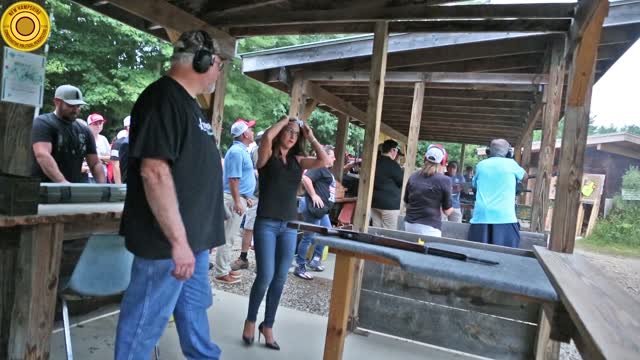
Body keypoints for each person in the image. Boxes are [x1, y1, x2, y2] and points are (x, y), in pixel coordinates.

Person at [115, 30, 226, 360]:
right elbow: (155, 172)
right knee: (144, 324)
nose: (219, 72)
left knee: (194, 316)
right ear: (203, 61)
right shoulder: (162, 98)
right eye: (219, 64)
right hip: (167, 244)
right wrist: (178, 242)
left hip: (192, 242)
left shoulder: (189, 105)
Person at [241, 116, 329, 350]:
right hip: (267, 223)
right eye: (288, 132)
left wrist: (309, 135)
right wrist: (285, 120)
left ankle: (267, 325)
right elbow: (267, 137)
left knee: (280, 278)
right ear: (280, 132)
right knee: (265, 276)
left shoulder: (298, 160)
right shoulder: (266, 156)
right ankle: (250, 320)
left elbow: (324, 160)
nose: (291, 136)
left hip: (290, 225)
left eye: (295, 133)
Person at [31, 85, 105, 183]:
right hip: (44, 189)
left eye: (78, 106)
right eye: (70, 105)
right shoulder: (43, 123)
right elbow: (42, 155)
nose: (75, 110)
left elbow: (95, 163)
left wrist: (103, 187)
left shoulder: (84, 130)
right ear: (57, 102)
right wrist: (63, 183)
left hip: (72, 191)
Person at [214, 118, 257, 284]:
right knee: (228, 237)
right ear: (245, 134)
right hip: (232, 199)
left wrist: (245, 198)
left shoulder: (240, 150)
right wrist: (239, 200)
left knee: (230, 236)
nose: (252, 132)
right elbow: (233, 179)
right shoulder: (237, 152)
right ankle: (221, 272)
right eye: (250, 129)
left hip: (237, 198)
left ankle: (222, 269)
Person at [469, 139, 528, 248]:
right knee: (505, 257)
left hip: (481, 217)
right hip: (504, 217)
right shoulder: (511, 164)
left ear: (489, 151)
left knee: (477, 254)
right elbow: (525, 176)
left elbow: (474, 186)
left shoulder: (481, 165)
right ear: (508, 152)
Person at [294, 145, 337, 280]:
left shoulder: (325, 170)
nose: (334, 158)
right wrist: (313, 195)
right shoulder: (318, 167)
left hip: (321, 210)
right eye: (332, 156)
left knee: (327, 232)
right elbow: (306, 178)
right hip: (314, 208)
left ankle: (315, 260)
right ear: (324, 156)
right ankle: (300, 267)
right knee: (308, 236)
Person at [231, 130, 265, 271]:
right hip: (257, 195)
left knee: (261, 228)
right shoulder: (259, 151)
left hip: (265, 196)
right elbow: (259, 171)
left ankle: (260, 262)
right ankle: (244, 258)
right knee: (249, 227)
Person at [403, 144, 453, 237]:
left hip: (409, 225)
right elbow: (448, 211)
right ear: (442, 161)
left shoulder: (413, 176)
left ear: (425, 158)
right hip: (430, 228)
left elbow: (406, 202)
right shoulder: (445, 180)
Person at [371, 139, 404, 229]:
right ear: (392, 150)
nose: (397, 154)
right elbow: (401, 182)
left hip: (374, 203)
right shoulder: (394, 165)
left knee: (375, 231)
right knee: (388, 234)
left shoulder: (374, 162)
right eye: (396, 151)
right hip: (390, 205)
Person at [86, 113, 111, 183]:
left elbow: (110, 158)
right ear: (88, 125)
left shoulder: (103, 139)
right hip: (88, 175)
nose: (98, 126)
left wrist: (97, 158)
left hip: (104, 174)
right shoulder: (85, 138)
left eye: (100, 123)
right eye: (95, 124)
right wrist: (103, 159)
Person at [111, 116, 130, 184]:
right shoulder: (118, 143)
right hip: (124, 182)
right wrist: (119, 186)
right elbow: (115, 165)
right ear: (127, 127)